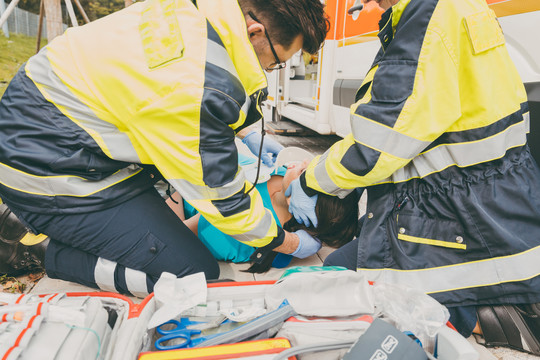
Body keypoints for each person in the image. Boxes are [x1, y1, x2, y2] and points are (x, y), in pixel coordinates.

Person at [0, 0, 329, 297]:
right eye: (274, 62)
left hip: (50, 132)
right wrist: (288, 242)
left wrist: (244, 132)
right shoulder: (196, 83)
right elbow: (225, 201)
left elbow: (159, 93)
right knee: (192, 275)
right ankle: (46, 251)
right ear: (255, 31)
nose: (267, 71)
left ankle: (34, 217)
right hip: (48, 168)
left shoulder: (195, 12)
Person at [285, 0, 540, 351]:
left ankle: (492, 313)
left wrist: (309, 179)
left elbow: (376, 143)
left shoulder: (429, 15)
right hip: (479, 207)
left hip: (465, 222)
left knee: (344, 287)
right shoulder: (439, 10)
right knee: (342, 271)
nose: (367, 4)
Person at [166, 156, 360, 272]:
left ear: (299, 202)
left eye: (304, 171)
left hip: (170, 185)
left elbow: (175, 232)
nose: (304, 161)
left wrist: (174, 182)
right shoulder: (281, 178)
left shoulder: (239, 240)